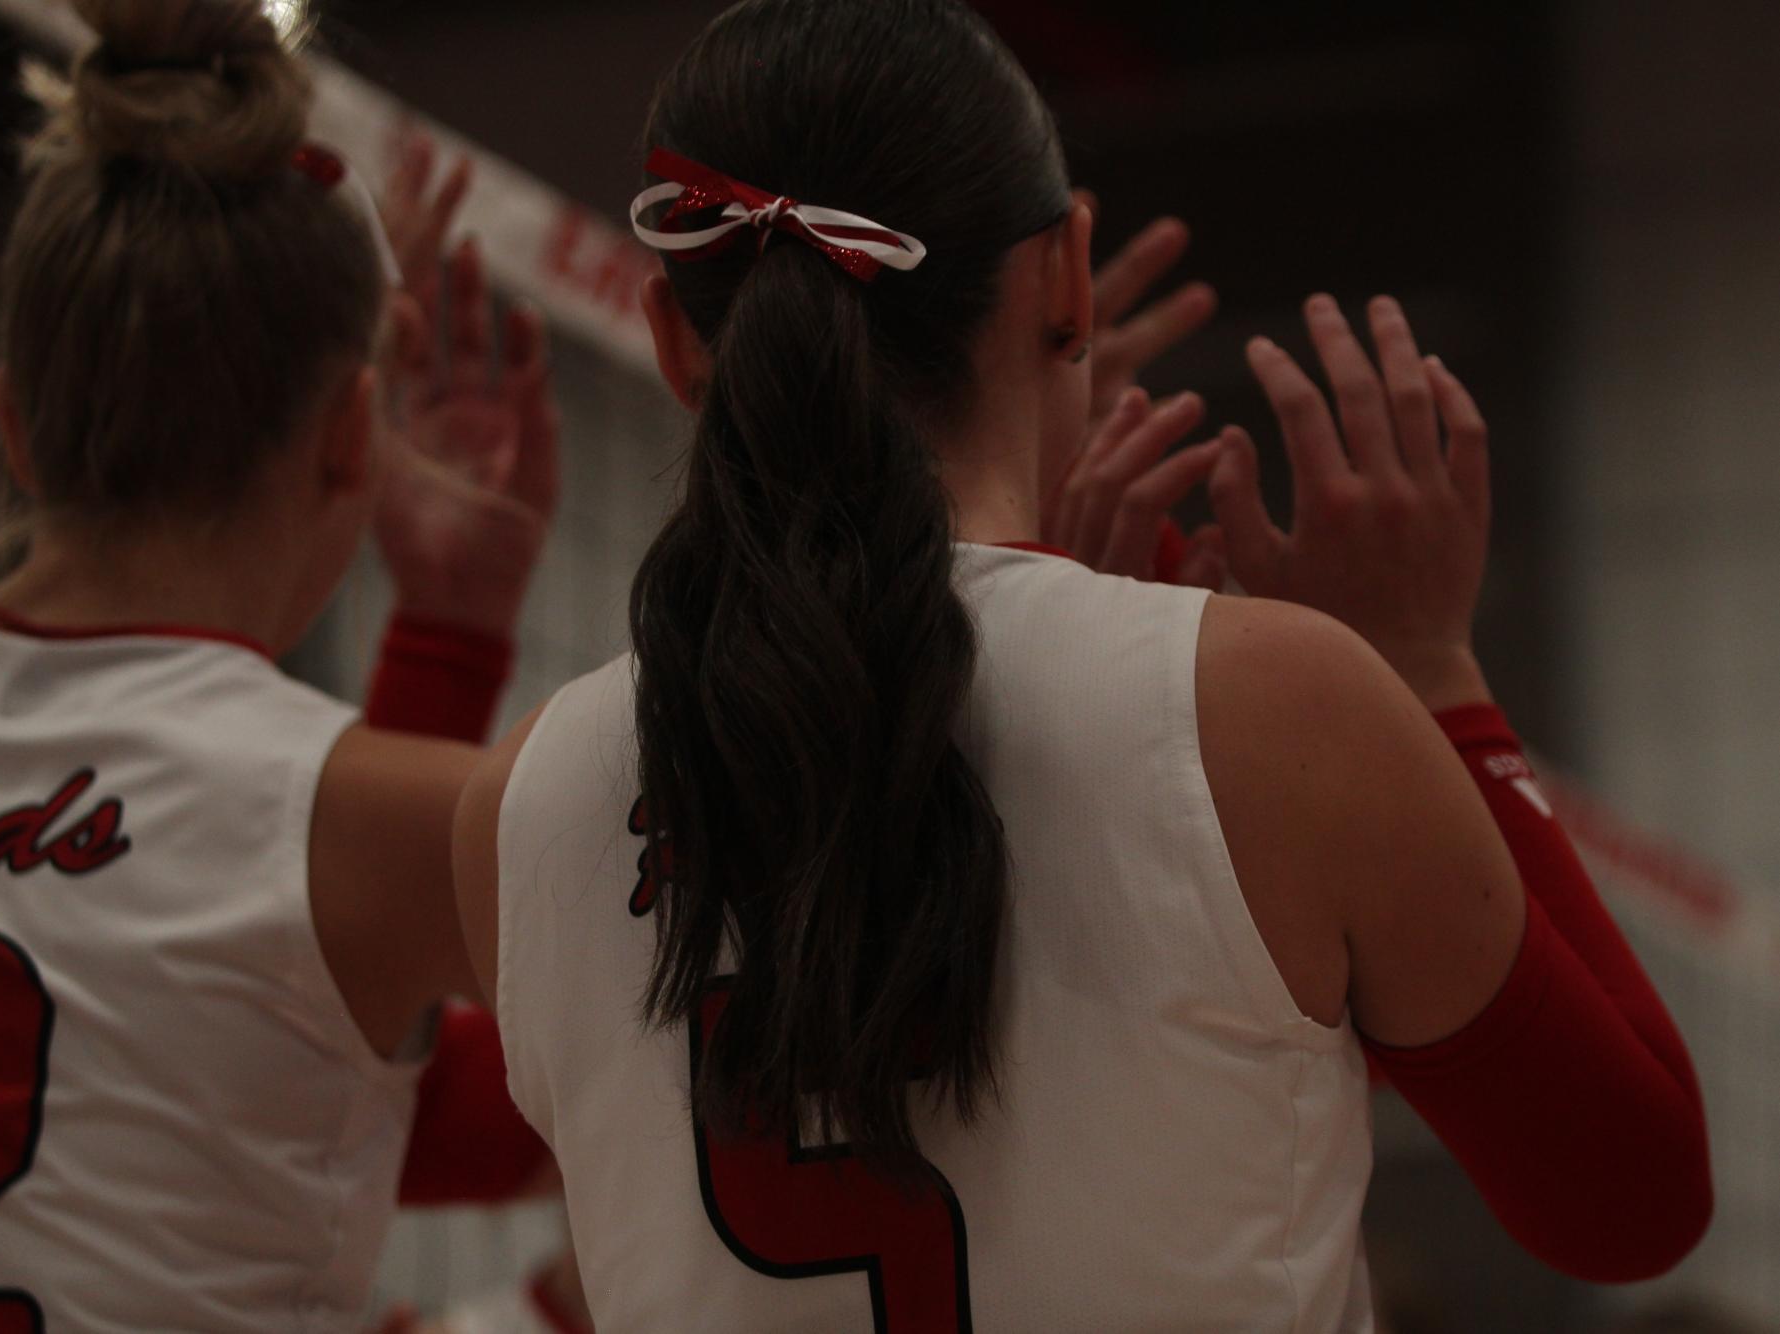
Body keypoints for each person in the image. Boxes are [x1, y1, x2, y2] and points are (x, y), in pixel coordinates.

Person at [450, 1, 1712, 1329]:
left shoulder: (519, 805)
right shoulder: (1277, 706)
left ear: (670, 335)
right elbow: (1628, 1199)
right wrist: (1430, 674)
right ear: (1063, 281)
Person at [0, 3, 555, 1329]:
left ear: (12, 420)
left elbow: (273, 1066)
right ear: (348, 435)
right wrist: (454, 632)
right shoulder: (400, 825)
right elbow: (527, 1120)